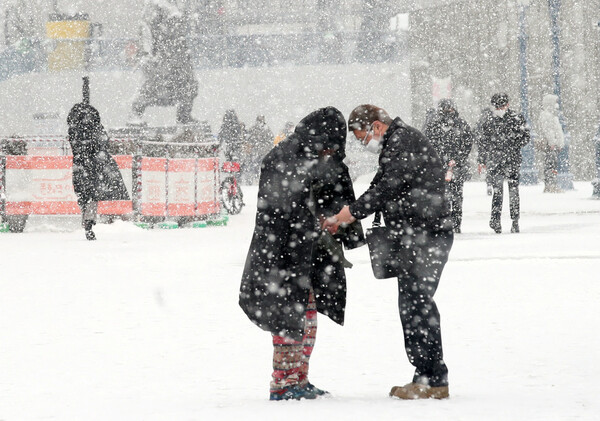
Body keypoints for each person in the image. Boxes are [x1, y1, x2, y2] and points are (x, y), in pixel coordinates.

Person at [323, 104, 454, 400]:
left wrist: (351, 213)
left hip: (426, 234)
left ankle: (431, 378)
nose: (361, 143)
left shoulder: (402, 141)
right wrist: (346, 214)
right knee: (413, 303)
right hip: (419, 234)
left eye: (360, 137)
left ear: (376, 127)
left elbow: (387, 189)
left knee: (417, 304)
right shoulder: (398, 142)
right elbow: (381, 183)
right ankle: (429, 375)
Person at [239, 107, 365, 401]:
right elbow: (282, 208)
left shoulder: (318, 156)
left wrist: (336, 223)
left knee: (307, 314)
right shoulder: (285, 157)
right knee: (288, 315)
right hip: (283, 253)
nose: (334, 151)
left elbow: (334, 191)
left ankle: (300, 376)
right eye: (331, 144)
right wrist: (314, 221)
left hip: (307, 251)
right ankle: (282, 382)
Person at [67, 102, 130, 240]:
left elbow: (78, 146)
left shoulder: (74, 130)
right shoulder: (95, 129)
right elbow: (103, 143)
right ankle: (92, 221)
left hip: (80, 167)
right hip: (95, 167)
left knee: (85, 195)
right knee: (95, 194)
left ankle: (88, 221)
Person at [130, 0, 198, 125]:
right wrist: (147, 53)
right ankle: (135, 114)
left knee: (189, 84)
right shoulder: (154, 5)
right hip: (160, 53)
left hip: (178, 53)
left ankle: (184, 115)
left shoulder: (178, 4)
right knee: (150, 86)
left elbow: (182, 28)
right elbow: (145, 29)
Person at [479, 93, 531, 234]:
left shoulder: (499, 119)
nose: (500, 108)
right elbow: (483, 141)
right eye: (498, 106)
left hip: (505, 159)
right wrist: (483, 159)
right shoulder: (510, 119)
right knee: (503, 191)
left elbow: (526, 137)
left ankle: (511, 220)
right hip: (502, 160)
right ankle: (500, 220)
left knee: (508, 191)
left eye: (501, 106)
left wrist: (512, 143)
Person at [424, 99, 473, 233]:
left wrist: (455, 159)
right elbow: (467, 143)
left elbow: (427, 145)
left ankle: (450, 223)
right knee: (453, 196)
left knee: (447, 196)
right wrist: (458, 158)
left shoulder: (435, 125)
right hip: (449, 165)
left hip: (449, 166)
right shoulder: (460, 125)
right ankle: (454, 223)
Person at [537, 94, 565, 193]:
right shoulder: (547, 115)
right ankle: (550, 185)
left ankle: (551, 184)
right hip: (551, 145)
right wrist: (553, 142)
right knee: (550, 164)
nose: (556, 105)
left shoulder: (551, 115)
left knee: (552, 164)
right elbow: (548, 130)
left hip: (553, 144)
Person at [245, 115, 274, 184]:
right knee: (258, 166)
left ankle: (254, 179)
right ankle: (257, 179)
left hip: (258, 151)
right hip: (260, 151)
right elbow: (270, 140)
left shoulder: (254, 128)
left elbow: (248, 138)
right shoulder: (266, 129)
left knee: (254, 165)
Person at [474, 107, 494, 195]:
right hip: (492, 149)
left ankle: (488, 181)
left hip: (482, 149)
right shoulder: (493, 122)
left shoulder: (480, 122)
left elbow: (474, 135)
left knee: (485, 164)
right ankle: (491, 181)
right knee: (492, 166)